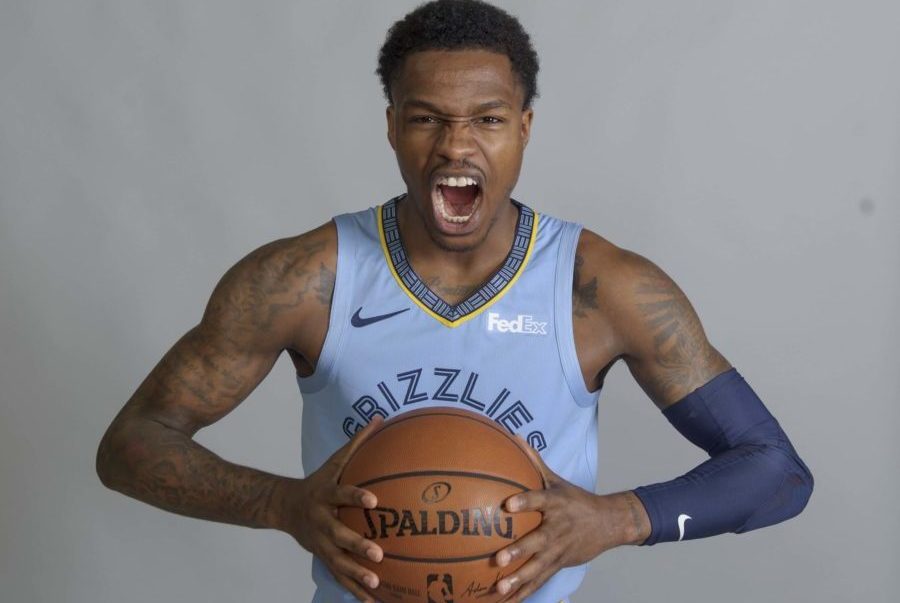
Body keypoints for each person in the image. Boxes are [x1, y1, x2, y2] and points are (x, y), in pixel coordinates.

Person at [96, 1, 814, 602]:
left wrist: (615, 518)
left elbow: (776, 469)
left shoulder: (602, 287)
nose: (456, 147)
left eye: (488, 120)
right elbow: (131, 445)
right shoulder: (304, 279)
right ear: (391, 126)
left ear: (524, 128)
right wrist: (283, 504)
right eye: (427, 119)